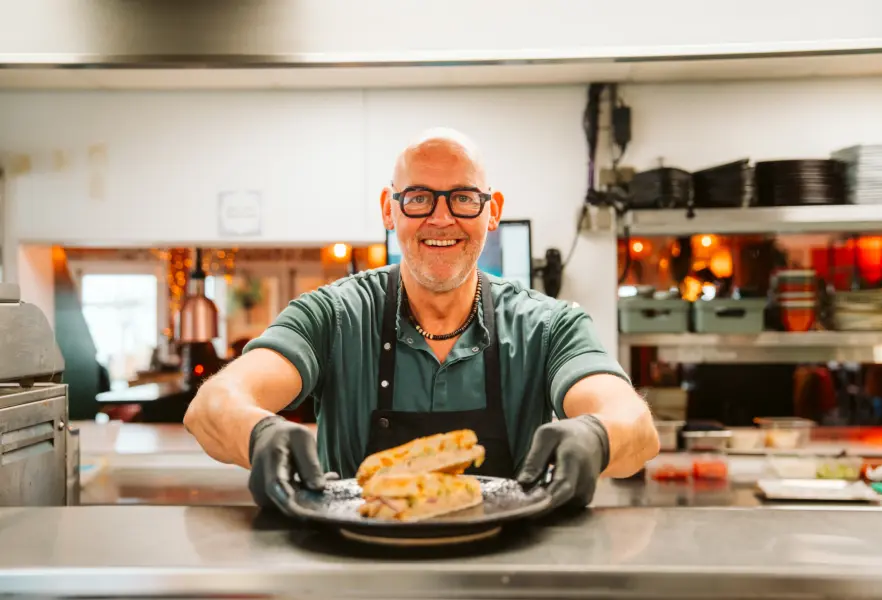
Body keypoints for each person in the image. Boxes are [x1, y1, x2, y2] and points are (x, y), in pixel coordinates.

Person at [183, 128, 659, 515]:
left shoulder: (548, 326)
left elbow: (636, 426)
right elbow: (211, 406)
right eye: (418, 198)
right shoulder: (332, 316)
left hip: (505, 576)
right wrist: (259, 433)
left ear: (491, 211)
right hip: (356, 575)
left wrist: (597, 436)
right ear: (389, 210)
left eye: (463, 199)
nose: (441, 218)